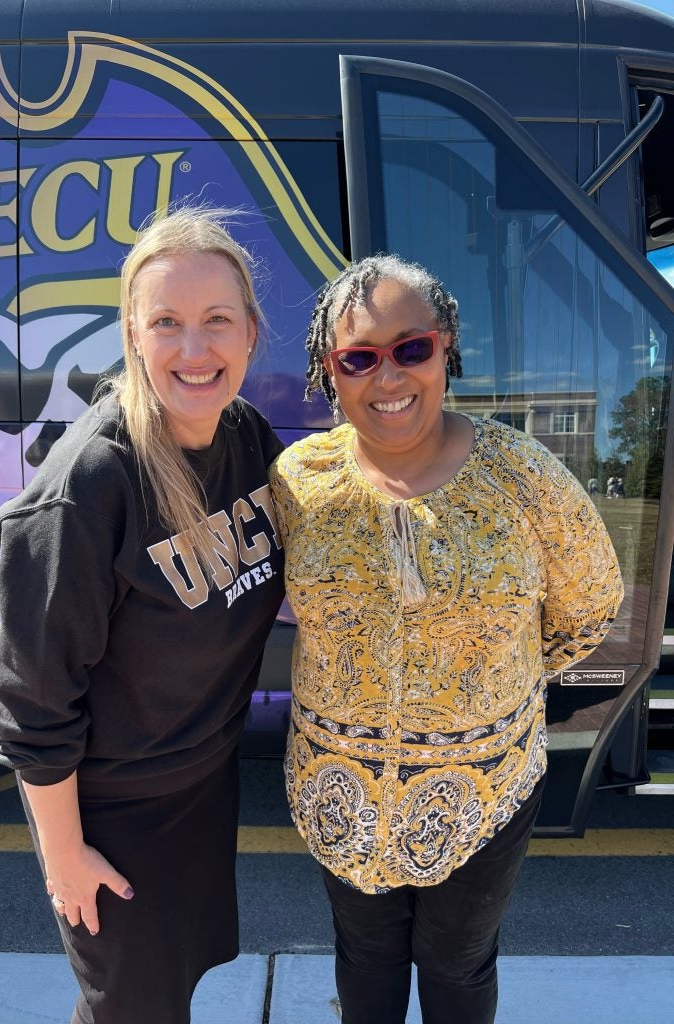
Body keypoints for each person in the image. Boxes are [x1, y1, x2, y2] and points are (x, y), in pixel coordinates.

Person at [269, 254, 624, 1024]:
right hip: (341, 790)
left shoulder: (523, 477)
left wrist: (492, 682)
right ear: (331, 373)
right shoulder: (299, 480)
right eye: (358, 358)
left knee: (458, 962)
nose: (387, 377)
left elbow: (591, 606)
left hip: (485, 789)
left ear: (446, 345)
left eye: (411, 348)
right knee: (364, 956)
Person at [0, 207, 285, 1024]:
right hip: (111, 811)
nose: (195, 349)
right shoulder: (88, 491)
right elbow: (31, 702)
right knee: (132, 1008)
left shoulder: (248, 439)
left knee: (160, 993)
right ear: (132, 336)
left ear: (251, 333)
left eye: (217, 321)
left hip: (198, 784)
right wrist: (64, 855)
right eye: (167, 323)